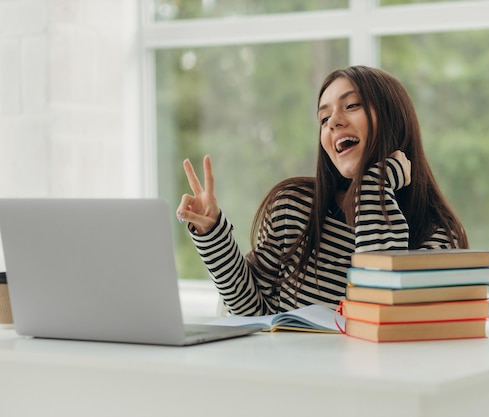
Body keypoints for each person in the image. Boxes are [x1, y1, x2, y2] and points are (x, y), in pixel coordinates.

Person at [176, 65, 469, 316]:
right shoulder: (294, 206)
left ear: (393, 118)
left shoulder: (437, 236)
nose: (334, 123)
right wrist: (213, 232)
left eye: (351, 105)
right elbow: (254, 312)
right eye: (323, 118)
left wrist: (373, 185)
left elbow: (381, 314)